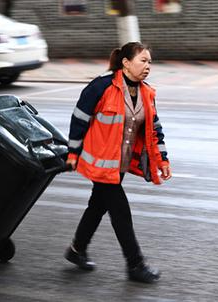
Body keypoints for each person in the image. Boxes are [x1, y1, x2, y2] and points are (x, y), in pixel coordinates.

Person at [64, 42, 172, 283]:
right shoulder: (101, 86)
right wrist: (72, 153)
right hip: (99, 163)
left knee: (97, 206)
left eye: (150, 62)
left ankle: (76, 250)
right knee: (120, 211)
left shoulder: (146, 92)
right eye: (143, 61)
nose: (148, 66)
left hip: (119, 164)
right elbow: (79, 119)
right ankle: (135, 264)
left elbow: (154, 129)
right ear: (126, 62)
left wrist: (163, 159)